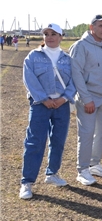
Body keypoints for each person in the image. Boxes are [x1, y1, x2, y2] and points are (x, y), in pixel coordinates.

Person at [19, 24, 76, 199]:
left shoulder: (67, 59)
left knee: (58, 140)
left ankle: (52, 174)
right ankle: (27, 182)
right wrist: (44, 99)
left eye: (53, 34)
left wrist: (64, 98)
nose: (49, 37)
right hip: (40, 105)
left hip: (61, 105)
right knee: (35, 141)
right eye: (46, 34)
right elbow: (29, 79)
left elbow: (75, 81)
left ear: (61, 37)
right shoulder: (33, 57)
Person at [69, 15, 102, 186]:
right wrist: (86, 98)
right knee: (86, 134)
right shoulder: (81, 46)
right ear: (91, 27)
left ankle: (94, 164)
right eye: (101, 26)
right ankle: (82, 170)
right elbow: (76, 74)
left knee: (101, 133)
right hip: (89, 98)